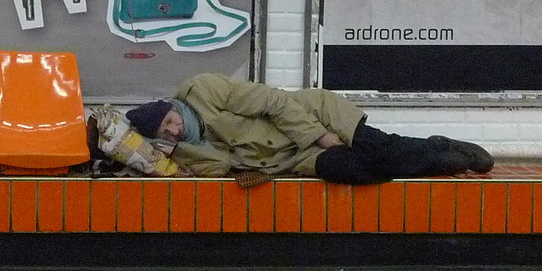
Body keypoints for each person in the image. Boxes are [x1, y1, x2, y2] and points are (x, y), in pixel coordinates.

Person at [125, 73, 494, 184]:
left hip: (311, 118)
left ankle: (439, 147)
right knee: (353, 171)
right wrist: (178, 153)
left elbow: (275, 101)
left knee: (381, 150)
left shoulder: (204, 89)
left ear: (172, 107)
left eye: (170, 121)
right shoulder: (186, 147)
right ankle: (436, 162)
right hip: (294, 159)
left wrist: (318, 134)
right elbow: (222, 168)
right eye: (165, 133)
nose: (173, 131)